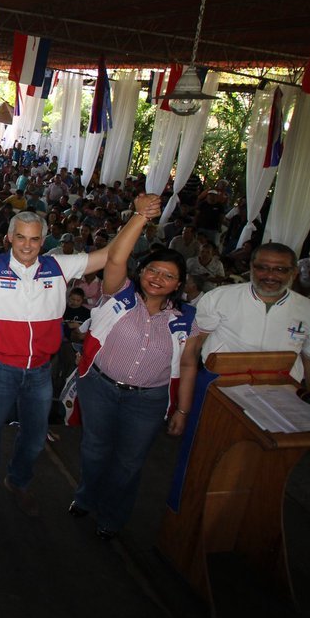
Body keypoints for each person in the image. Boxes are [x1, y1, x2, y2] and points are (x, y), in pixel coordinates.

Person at [0, 198, 151, 518]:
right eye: (20, 237)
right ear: (9, 238)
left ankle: (18, 481)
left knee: (35, 437)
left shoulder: (58, 266)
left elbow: (110, 256)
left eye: (34, 238)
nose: (27, 244)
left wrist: (139, 216)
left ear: (43, 240)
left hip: (39, 369)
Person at [69, 195, 198, 539]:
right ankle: (84, 497)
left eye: (168, 275)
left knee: (129, 462)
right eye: (153, 269)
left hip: (148, 400)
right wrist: (140, 217)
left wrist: (183, 410)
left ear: (178, 284)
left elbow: (187, 365)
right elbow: (115, 256)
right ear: (141, 272)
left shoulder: (186, 319)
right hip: (100, 387)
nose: (158, 278)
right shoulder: (120, 295)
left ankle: (112, 515)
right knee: (94, 449)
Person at [172, 243, 310, 508]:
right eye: (263, 267)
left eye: (280, 269)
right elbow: (192, 352)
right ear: (251, 267)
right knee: (203, 464)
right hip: (219, 395)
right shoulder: (220, 298)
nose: (271, 275)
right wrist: (183, 405)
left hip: (279, 400)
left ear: (293, 272)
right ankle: (187, 518)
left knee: (260, 471)